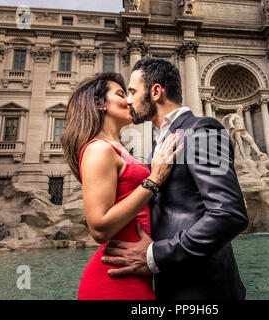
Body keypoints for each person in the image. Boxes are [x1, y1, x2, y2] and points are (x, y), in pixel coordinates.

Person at [101, 59, 249, 300]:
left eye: (132, 91)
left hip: (204, 289)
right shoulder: (161, 143)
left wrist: (155, 254)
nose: (128, 100)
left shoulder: (202, 130)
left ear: (156, 92)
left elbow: (229, 214)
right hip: (175, 283)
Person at [61, 72, 183, 300]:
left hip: (133, 269)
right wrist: (154, 179)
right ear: (99, 104)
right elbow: (99, 228)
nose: (129, 100)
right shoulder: (99, 149)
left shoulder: (117, 148)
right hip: (114, 280)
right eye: (120, 94)